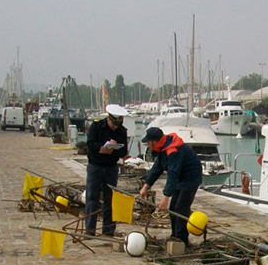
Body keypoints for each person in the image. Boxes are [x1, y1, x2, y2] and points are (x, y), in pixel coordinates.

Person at [139, 127, 202, 247]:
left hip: (190, 177)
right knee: (173, 208)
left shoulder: (173, 151)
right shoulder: (163, 147)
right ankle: (175, 235)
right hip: (180, 177)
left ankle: (182, 240)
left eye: (149, 142)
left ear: (155, 142)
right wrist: (146, 186)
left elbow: (173, 174)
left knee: (181, 208)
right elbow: (157, 168)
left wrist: (165, 197)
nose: (148, 145)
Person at [85, 104, 129, 236]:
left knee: (110, 199)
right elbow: (90, 143)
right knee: (92, 197)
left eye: (118, 124)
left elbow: (123, 151)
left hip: (111, 167)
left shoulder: (122, 131)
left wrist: (114, 149)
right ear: (109, 119)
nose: (116, 127)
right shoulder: (96, 126)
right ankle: (89, 229)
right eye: (114, 123)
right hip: (96, 165)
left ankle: (108, 229)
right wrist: (101, 148)